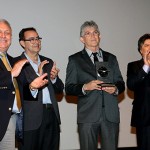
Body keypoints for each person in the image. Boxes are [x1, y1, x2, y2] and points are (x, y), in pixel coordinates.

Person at [65, 20, 125, 150]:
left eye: (95, 32)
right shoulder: (75, 60)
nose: (93, 36)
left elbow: (121, 83)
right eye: (88, 33)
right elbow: (69, 88)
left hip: (110, 114)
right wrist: (85, 87)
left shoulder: (111, 58)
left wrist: (115, 89)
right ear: (82, 39)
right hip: (88, 115)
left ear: (100, 36)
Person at [18, 27, 64, 150]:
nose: (36, 41)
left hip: (51, 116)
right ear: (22, 43)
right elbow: (20, 94)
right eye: (31, 39)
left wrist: (54, 79)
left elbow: (60, 90)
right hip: (31, 120)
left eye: (38, 38)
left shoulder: (47, 62)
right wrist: (37, 78)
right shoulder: (17, 63)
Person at [0, 19, 28, 150]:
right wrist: (11, 74)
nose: (3, 36)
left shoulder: (12, 61)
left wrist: (34, 86)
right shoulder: (14, 67)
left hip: (11, 120)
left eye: (7, 32)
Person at [127, 33, 150, 150]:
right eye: (147, 45)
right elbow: (131, 85)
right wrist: (145, 67)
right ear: (141, 50)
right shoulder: (134, 66)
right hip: (144, 117)